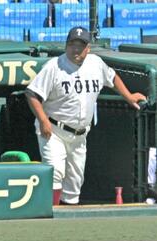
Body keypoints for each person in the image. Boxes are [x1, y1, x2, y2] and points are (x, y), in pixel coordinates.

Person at [26, 26, 146, 205]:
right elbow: (32, 93)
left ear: (88, 48)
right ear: (66, 46)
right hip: (54, 130)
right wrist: (43, 120)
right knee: (55, 172)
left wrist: (128, 96)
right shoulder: (54, 66)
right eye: (72, 44)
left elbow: (112, 77)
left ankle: (67, 222)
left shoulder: (96, 63)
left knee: (74, 183)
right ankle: (49, 219)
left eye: (80, 45)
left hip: (80, 134)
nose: (76, 49)